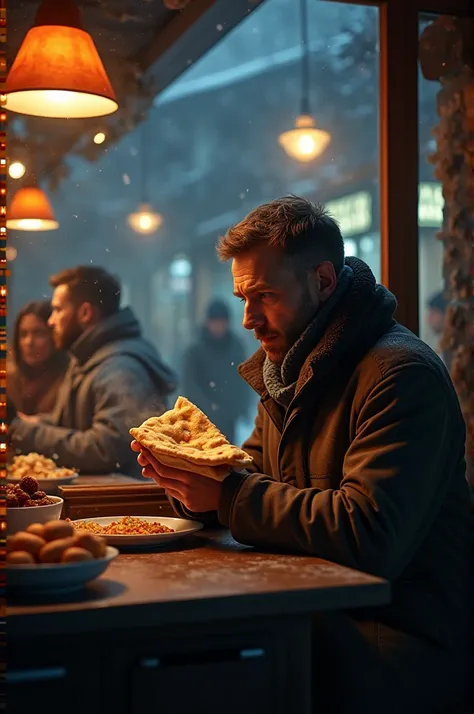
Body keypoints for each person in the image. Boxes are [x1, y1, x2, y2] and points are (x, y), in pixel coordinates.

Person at [132, 196, 472, 713]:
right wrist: (191, 488)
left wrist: (224, 497)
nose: (249, 319)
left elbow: (370, 534)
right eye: (242, 297)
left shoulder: (401, 377)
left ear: (323, 281)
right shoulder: (287, 371)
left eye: (265, 295)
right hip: (321, 614)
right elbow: (246, 477)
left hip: (398, 644)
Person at [9, 265, 177, 476]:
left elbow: (106, 450)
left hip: (122, 504)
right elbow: (75, 423)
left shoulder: (119, 369)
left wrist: (23, 431)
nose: (51, 321)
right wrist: (28, 424)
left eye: (59, 310)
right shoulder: (89, 359)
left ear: (86, 313)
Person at [181, 299, 251, 444]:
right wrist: (206, 408)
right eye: (215, 322)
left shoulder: (235, 347)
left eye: (222, 322)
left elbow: (244, 377)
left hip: (228, 416)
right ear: (208, 322)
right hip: (201, 420)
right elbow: (190, 384)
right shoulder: (196, 349)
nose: (219, 327)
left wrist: (240, 406)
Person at [7, 300, 69, 415]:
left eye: (39, 333)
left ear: (54, 336)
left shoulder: (68, 380)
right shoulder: (9, 380)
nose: (29, 342)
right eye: (23, 334)